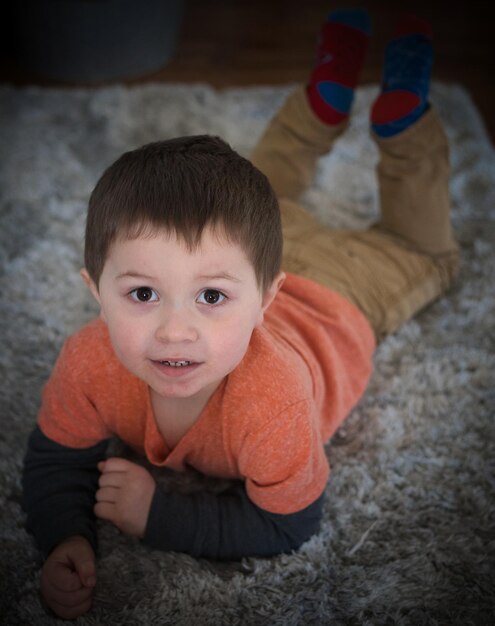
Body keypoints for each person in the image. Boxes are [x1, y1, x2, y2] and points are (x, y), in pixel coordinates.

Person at [22, 8, 459, 619]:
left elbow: (291, 526)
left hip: (349, 287)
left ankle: (401, 123)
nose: (176, 331)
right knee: (254, 192)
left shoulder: (273, 399)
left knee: (429, 256)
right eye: (143, 294)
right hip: (242, 254)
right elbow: (54, 459)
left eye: (209, 301)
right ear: (96, 291)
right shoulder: (88, 360)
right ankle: (320, 106)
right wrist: (67, 535)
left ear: (267, 300)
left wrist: (160, 516)